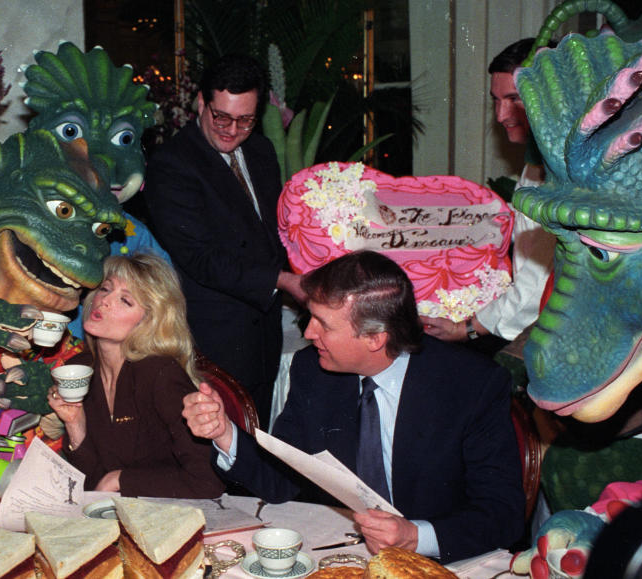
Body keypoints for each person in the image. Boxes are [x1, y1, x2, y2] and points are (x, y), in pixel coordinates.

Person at [182, 251, 524, 563]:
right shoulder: (313, 370)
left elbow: (503, 515)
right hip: (339, 554)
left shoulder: (471, 385)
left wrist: (416, 535)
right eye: (310, 316)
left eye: (324, 324)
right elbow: (281, 478)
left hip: (438, 563)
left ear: (375, 338)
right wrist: (224, 432)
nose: (309, 332)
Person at [143, 53, 303, 429]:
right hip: (214, 340)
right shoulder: (172, 163)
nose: (232, 130)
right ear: (201, 102)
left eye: (245, 119)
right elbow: (201, 258)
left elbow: (271, 234)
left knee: (257, 444)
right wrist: (281, 280)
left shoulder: (262, 152)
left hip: (263, 335)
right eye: (222, 117)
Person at [47, 253, 225, 499]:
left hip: (172, 518)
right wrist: (75, 424)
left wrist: (120, 479)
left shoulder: (160, 374)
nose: (105, 300)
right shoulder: (79, 369)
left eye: (125, 300)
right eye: (105, 288)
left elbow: (208, 481)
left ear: (149, 321)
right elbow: (91, 488)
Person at [421, 38, 556, 348]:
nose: (500, 115)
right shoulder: (537, 160)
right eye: (496, 100)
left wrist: (468, 328)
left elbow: (537, 278)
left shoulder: (560, 169)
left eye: (513, 99)